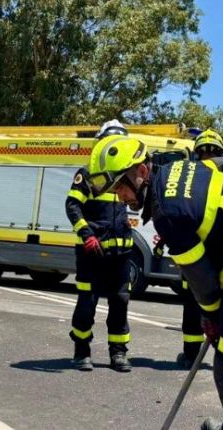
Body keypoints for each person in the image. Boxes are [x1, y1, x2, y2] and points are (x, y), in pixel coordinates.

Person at [88, 135, 223, 430]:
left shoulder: (168, 212)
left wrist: (211, 314)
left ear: (142, 172)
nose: (121, 197)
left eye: (121, 186)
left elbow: (198, 274)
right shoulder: (179, 168)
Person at [157, 128, 223, 369]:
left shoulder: (193, 177)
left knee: (194, 305)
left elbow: (184, 215)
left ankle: (191, 355)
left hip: (198, 256)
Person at [64, 120, 135, 372]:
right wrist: (86, 234)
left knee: (120, 301)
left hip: (121, 253)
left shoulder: (128, 177)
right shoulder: (88, 174)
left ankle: (118, 353)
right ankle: (81, 350)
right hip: (92, 253)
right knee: (87, 302)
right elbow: (72, 205)